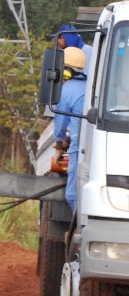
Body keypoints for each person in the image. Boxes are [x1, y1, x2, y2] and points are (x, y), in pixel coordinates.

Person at [54, 46, 87, 214]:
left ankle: (79, 230)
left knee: (73, 195)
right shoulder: (91, 86)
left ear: (65, 71)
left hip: (78, 150)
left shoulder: (67, 90)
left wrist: (59, 145)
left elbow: (60, 122)